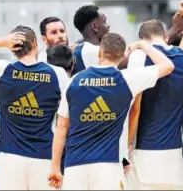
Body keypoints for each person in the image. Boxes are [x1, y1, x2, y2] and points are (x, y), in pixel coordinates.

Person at [47, 33, 175, 190]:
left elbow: (61, 129)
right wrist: (143, 44)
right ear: (122, 57)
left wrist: (54, 167)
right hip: (107, 168)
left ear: (100, 53)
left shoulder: (75, 80)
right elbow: (168, 66)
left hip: (74, 166)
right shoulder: (127, 79)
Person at [0, 26, 69, 190]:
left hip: (10, 159)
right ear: (35, 44)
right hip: (44, 158)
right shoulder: (57, 74)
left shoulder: (3, 70)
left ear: (12, 49)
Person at [127, 19, 183, 190]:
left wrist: (127, 144)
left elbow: (135, 107)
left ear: (142, 39)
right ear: (165, 37)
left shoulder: (139, 56)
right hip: (174, 155)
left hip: (144, 151)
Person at [71, 5, 110, 76]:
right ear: (94, 27)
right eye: (104, 21)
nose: (108, 25)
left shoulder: (75, 51)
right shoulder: (99, 52)